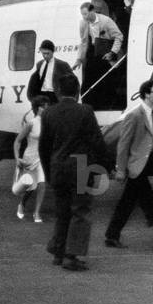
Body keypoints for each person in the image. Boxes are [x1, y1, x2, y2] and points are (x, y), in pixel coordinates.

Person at [39, 73, 105, 271]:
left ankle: (58, 251)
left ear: (58, 91)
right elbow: (97, 141)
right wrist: (105, 165)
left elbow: (44, 147)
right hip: (82, 166)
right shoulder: (85, 111)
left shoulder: (48, 113)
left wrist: (49, 171)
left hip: (58, 167)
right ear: (77, 90)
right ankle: (72, 255)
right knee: (81, 212)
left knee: (62, 212)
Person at [104, 79, 153, 250]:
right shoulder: (135, 115)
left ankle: (112, 235)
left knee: (131, 202)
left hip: (146, 165)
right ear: (146, 94)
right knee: (148, 203)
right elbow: (123, 145)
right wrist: (121, 169)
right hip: (137, 166)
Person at [73, 2, 124, 108]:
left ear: (92, 11)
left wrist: (113, 52)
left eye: (86, 14)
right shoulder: (83, 23)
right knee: (88, 82)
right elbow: (83, 42)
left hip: (105, 53)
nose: (84, 17)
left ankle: (108, 105)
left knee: (106, 82)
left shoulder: (106, 21)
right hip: (92, 53)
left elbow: (119, 36)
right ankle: (89, 106)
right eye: (82, 14)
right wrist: (79, 59)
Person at [13, 95, 49, 222]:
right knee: (31, 186)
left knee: (42, 184)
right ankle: (22, 203)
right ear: (39, 108)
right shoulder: (31, 123)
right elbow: (17, 141)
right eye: (45, 107)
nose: (47, 109)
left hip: (42, 158)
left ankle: (37, 213)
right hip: (30, 157)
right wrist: (17, 158)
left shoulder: (49, 123)